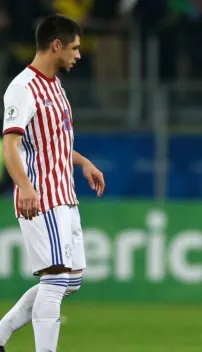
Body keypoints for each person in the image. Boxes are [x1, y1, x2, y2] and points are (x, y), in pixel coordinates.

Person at [0, 14, 105, 352]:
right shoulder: (23, 88)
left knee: (70, 280)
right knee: (55, 278)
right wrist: (26, 187)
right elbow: (10, 145)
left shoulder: (54, 85)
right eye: (74, 48)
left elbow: (52, 141)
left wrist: (82, 161)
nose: (78, 55)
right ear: (55, 45)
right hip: (41, 197)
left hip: (64, 194)